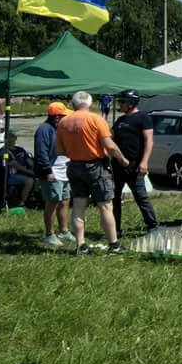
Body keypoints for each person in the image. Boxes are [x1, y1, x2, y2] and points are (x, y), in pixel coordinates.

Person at [56, 91, 131, 254]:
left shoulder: (63, 123)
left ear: (73, 104)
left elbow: (60, 150)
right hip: (96, 166)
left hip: (74, 166)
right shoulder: (97, 119)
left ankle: (81, 245)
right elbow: (109, 145)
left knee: (78, 205)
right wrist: (123, 160)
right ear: (90, 104)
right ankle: (114, 245)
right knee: (105, 205)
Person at [110, 89, 158, 237]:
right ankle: (115, 229)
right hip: (117, 165)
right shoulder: (120, 120)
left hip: (135, 165)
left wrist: (144, 162)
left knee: (141, 197)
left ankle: (152, 226)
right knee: (114, 198)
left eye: (122, 102)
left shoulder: (143, 118)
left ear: (131, 103)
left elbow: (149, 141)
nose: (120, 104)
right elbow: (110, 138)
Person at [34, 101, 73, 246]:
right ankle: (49, 234)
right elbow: (41, 152)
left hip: (65, 170)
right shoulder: (44, 129)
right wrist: (47, 170)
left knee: (65, 200)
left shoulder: (61, 128)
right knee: (53, 201)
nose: (66, 118)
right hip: (52, 171)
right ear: (57, 117)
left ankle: (64, 231)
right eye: (64, 116)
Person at [0, 130, 35, 207]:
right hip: (10, 175)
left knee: (40, 178)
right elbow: (13, 164)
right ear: (5, 139)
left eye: (13, 136)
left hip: (25, 172)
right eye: (9, 137)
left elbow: (29, 160)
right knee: (29, 181)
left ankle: (34, 197)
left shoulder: (20, 150)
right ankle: (22, 202)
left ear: (15, 138)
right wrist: (30, 172)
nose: (11, 139)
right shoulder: (3, 152)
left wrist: (35, 167)